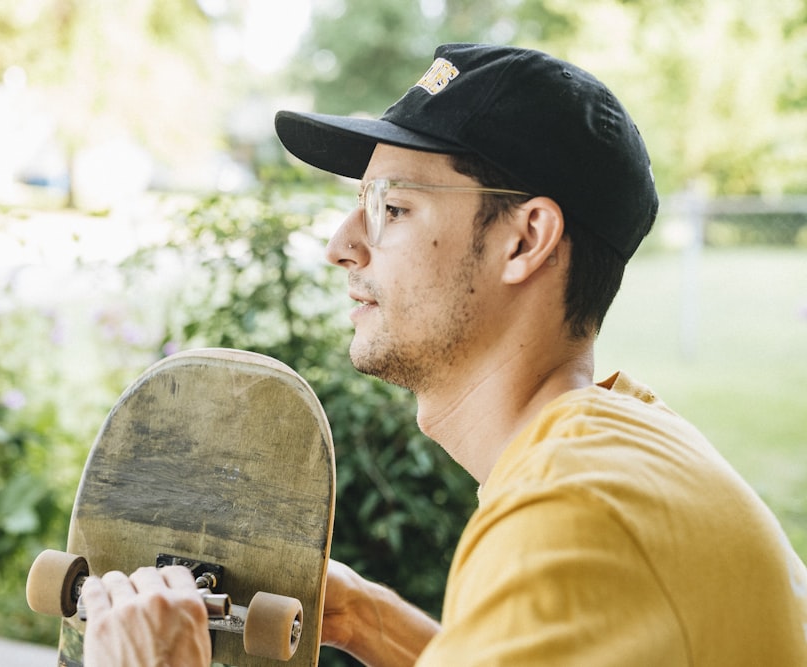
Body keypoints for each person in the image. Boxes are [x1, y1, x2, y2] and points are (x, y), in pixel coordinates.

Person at [81, 43, 807, 665]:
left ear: (524, 240)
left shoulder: (576, 514)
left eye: (390, 209)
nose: (341, 245)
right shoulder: (620, 449)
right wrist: (365, 617)